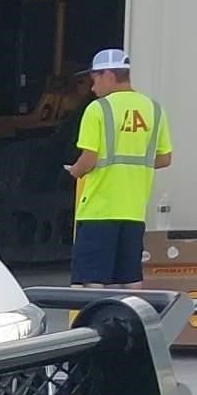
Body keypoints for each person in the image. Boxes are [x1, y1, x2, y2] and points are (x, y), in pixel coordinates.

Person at [65, 48, 172, 285]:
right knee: (130, 281)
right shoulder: (154, 109)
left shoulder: (98, 109)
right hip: (134, 212)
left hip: (99, 211)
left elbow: (89, 158)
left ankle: (94, 322)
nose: (93, 88)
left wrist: (75, 171)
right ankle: (133, 321)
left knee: (92, 281)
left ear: (109, 76)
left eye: (95, 80)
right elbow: (165, 159)